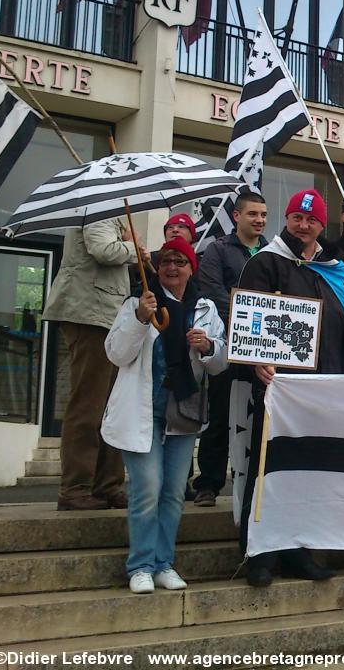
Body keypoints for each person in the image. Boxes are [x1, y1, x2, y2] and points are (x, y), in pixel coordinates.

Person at [236, 189, 344, 587]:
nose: (302, 226)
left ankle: (299, 551)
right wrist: (258, 360)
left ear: (322, 226)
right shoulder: (267, 262)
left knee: (308, 473)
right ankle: (259, 553)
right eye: (295, 218)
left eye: (310, 220)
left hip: (321, 391)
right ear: (286, 220)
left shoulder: (333, 268)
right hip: (280, 390)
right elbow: (247, 321)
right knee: (269, 471)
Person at [101, 238, 227, 593]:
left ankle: (163, 562)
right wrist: (140, 320)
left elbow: (220, 364)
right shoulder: (138, 304)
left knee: (173, 492)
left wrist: (209, 347)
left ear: (192, 268)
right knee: (147, 488)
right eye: (167, 261)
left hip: (183, 413)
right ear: (158, 267)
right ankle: (140, 565)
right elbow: (116, 354)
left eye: (181, 262)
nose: (173, 267)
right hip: (143, 412)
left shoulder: (204, 309)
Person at [46, 219, 143, 511]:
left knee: (111, 407)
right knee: (88, 406)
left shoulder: (115, 210)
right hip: (90, 316)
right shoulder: (100, 208)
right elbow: (103, 249)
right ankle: (76, 488)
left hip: (108, 317)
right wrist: (135, 248)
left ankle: (107, 485)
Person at [192, 191, 268, 507]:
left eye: (263, 215)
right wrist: (250, 311)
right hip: (228, 345)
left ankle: (254, 481)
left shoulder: (271, 252)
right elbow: (212, 292)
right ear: (236, 216)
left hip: (264, 349)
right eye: (253, 214)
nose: (260, 220)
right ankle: (208, 484)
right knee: (221, 413)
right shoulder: (217, 250)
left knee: (259, 415)